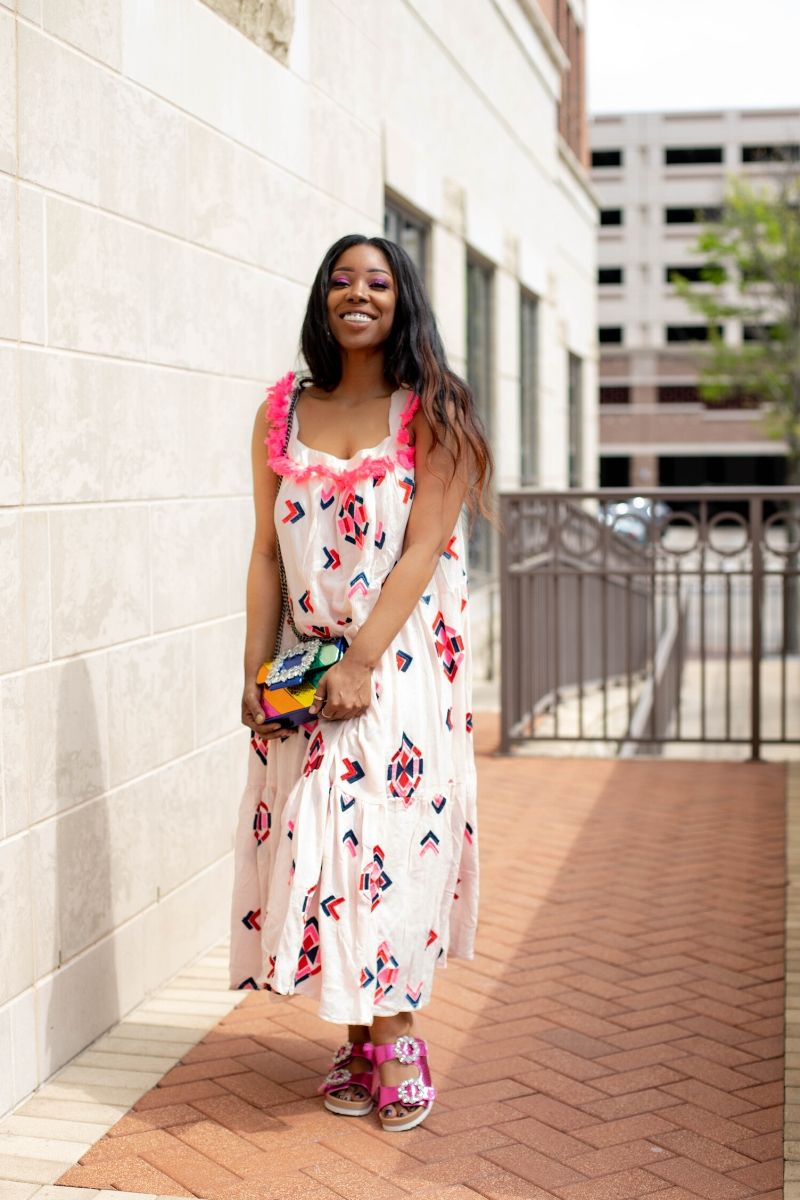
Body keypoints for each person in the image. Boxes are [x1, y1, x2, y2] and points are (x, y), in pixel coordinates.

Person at [229, 233, 493, 1133]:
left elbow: (424, 549)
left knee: (393, 842)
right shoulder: (280, 410)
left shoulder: (434, 410)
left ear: (401, 296)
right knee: (324, 851)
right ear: (322, 298)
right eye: (341, 280)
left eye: (376, 281)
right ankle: (354, 1033)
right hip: (306, 667)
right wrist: (256, 670)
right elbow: (267, 552)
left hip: (399, 663)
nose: (358, 294)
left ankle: (401, 1037)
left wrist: (365, 659)